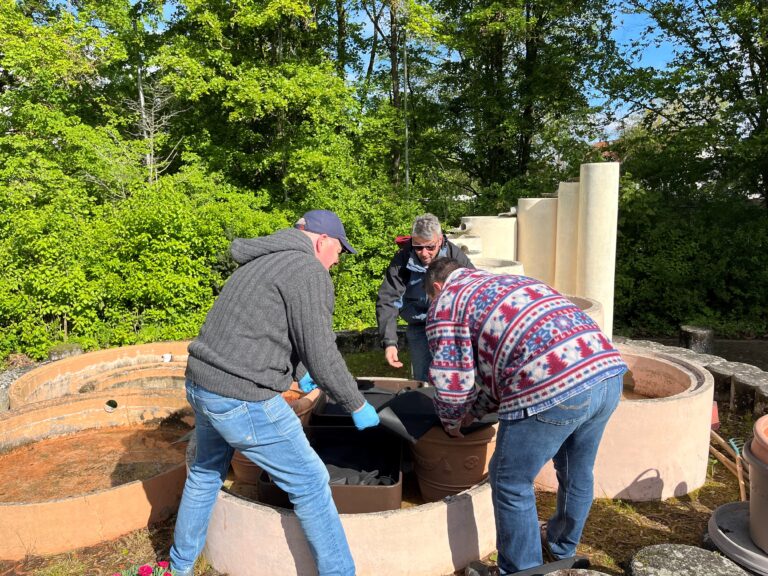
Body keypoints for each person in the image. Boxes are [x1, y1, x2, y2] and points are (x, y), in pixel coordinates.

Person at [169, 210, 380, 576]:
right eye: (339, 251)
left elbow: (273, 329)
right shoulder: (308, 270)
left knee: (205, 473)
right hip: (241, 395)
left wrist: (302, 374)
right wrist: (355, 402)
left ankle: (178, 568)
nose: (337, 260)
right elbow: (321, 349)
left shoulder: (263, 261)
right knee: (312, 482)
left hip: (203, 383)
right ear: (322, 240)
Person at [424, 258, 627, 574]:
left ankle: (521, 569)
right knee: (577, 469)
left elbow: (451, 379)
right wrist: (472, 412)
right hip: (607, 371)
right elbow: (499, 368)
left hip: (553, 381)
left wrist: (451, 420)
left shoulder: (445, 302)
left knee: (510, 480)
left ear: (436, 287)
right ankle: (561, 548)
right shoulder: (509, 285)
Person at [376, 213, 473, 382]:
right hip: (419, 324)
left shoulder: (455, 255)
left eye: (430, 247)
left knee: (454, 377)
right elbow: (388, 300)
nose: (424, 253)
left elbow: (474, 288)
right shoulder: (402, 259)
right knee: (423, 379)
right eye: (418, 247)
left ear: (440, 239)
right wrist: (389, 342)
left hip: (450, 324)